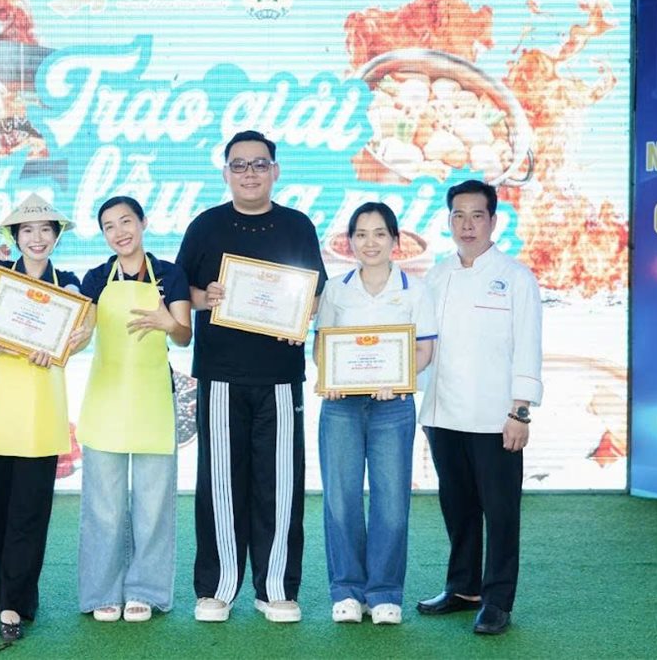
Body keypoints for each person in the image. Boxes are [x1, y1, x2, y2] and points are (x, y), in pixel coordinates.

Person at [175, 130, 328, 624]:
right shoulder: (206, 225)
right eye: (239, 165)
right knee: (220, 483)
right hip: (220, 374)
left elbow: (315, 292)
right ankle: (217, 588)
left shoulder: (297, 225)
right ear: (226, 173)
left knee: (280, 483)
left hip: (280, 376)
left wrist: (300, 316)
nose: (250, 173)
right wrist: (207, 298)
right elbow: (179, 291)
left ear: (275, 171)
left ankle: (276, 587)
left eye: (259, 164)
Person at [415, 179, 543, 635]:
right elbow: (420, 342)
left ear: (493, 220)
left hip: (496, 417)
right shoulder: (435, 276)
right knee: (458, 506)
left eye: (477, 216)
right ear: (448, 220)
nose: (467, 225)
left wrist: (520, 411)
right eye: (458, 215)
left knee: (501, 512)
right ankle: (463, 588)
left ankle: (497, 600)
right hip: (442, 413)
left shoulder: (516, 277)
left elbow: (528, 347)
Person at [0, 194, 91, 644]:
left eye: (45, 230)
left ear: (56, 237)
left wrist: (73, 338)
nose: (37, 238)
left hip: (42, 406)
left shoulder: (69, 286)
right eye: (27, 231)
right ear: (15, 237)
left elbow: (80, 333)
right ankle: (10, 598)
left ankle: (15, 603)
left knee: (31, 510)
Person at [315, 202, 437, 625]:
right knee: (340, 499)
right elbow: (322, 346)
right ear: (349, 242)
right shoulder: (336, 289)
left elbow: (424, 350)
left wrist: (399, 377)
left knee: (391, 502)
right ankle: (347, 591)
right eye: (361, 234)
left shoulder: (415, 289)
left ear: (395, 241)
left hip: (393, 407)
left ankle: (385, 592)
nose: (371, 243)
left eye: (380, 233)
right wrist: (328, 376)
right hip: (340, 407)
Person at [76, 196, 192, 623]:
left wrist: (168, 323)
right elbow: (82, 332)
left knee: (153, 503)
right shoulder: (95, 278)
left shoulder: (170, 275)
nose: (119, 232)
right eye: (109, 226)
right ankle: (103, 591)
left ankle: (146, 589)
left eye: (126, 221)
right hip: (105, 398)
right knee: (103, 505)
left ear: (143, 222)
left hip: (153, 400)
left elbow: (184, 335)